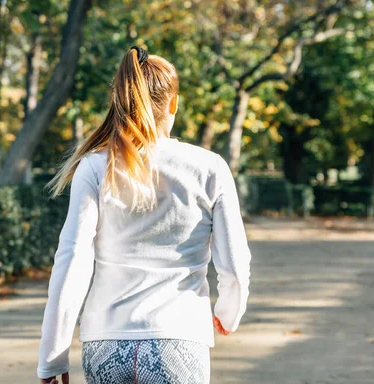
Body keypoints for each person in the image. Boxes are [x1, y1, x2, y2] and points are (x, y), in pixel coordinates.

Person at [36, 45, 251, 384]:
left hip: (106, 341)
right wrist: (229, 312)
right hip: (179, 339)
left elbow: (72, 262)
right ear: (174, 103)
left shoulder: (94, 167)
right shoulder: (210, 168)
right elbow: (235, 265)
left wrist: (52, 356)